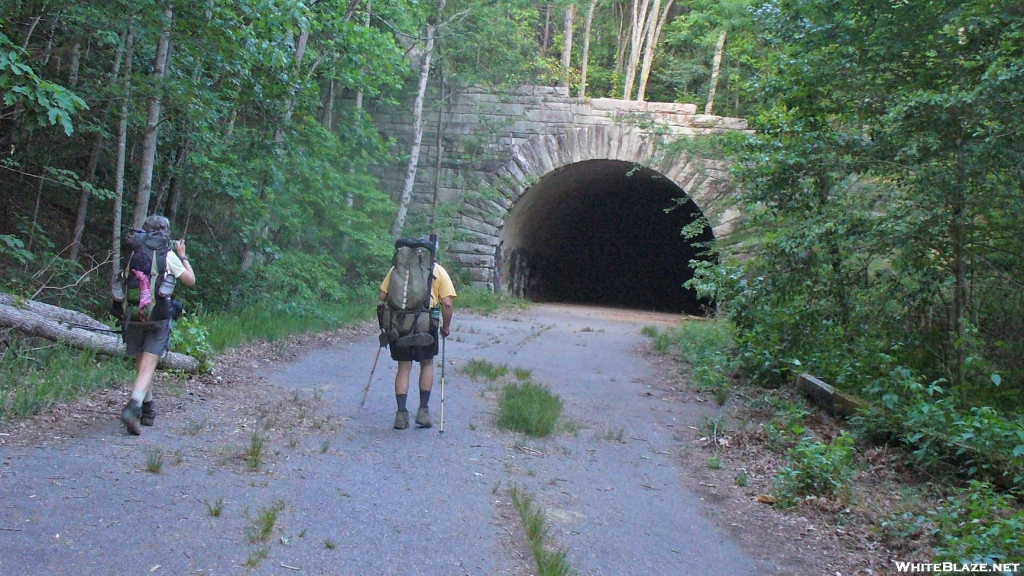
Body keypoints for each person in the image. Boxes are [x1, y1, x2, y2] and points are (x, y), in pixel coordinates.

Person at [120, 215, 195, 436]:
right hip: (158, 316)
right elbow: (190, 280)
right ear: (165, 231)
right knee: (149, 364)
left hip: (132, 313)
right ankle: (134, 405)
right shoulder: (168, 255)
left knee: (142, 363)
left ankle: (148, 409)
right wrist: (183, 256)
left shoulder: (131, 250)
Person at [379, 257, 456, 429]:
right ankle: (423, 411)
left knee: (403, 367)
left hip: (400, 325)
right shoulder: (437, 270)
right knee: (427, 364)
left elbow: (382, 295)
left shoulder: (397, 270)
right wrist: (446, 326)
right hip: (426, 324)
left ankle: (400, 415)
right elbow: (448, 303)